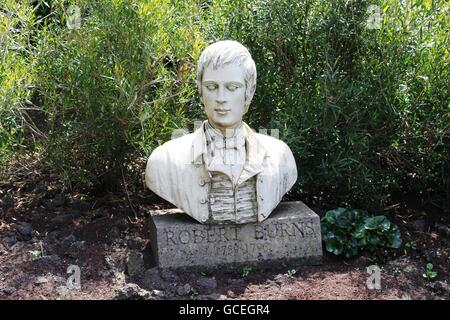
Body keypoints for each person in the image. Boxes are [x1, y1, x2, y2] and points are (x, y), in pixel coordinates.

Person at [145, 40, 297, 224]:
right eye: (212, 87)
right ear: (200, 91)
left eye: (232, 88)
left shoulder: (280, 156)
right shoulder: (164, 160)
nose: (221, 98)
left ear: (249, 92)